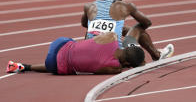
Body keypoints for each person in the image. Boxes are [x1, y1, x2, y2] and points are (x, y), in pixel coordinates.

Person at [81, 0, 174, 61]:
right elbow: (147, 22)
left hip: (89, 56)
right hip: (113, 55)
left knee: (89, 31)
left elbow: (84, 24)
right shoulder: (125, 6)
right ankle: (157, 55)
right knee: (138, 28)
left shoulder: (89, 6)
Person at [7, 32, 145, 75]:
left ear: (127, 48)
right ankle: (23, 66)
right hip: (52, 64)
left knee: (75, 47)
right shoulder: (115, 67)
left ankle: (23, 66)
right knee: (66, 65)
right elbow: (98, 71)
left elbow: (92, 35)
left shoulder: (112, 37)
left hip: (60, 42)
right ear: (127, 63)